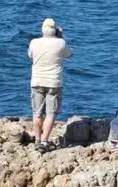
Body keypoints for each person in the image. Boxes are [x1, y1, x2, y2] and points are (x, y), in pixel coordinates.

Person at [28, 18, 73, 150]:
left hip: (37, 81)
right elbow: (70, 55)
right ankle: (44, 141)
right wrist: (61, 37)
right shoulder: (61, 43)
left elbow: (30, 55)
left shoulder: (34, 42)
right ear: (55, 31)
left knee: (37, 113)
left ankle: (37, 139)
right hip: (54, 82)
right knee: (51, 113)